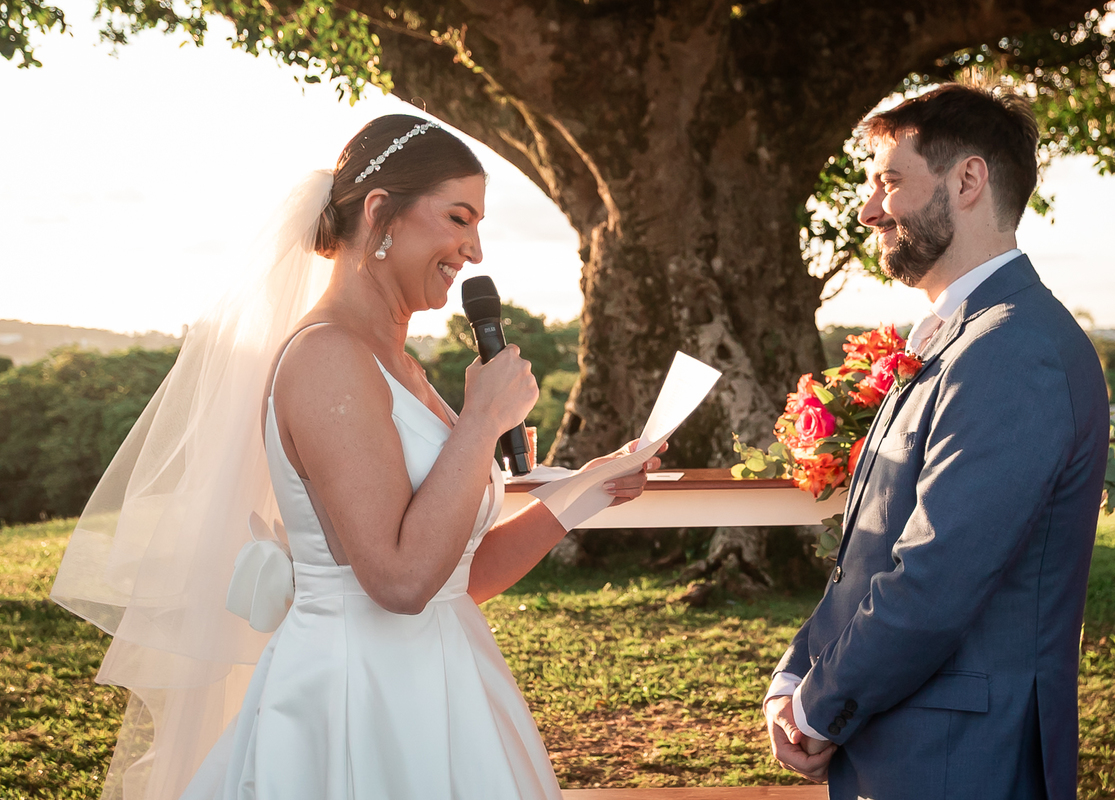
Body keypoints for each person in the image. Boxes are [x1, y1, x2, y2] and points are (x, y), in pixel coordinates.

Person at [51, 114, 659, 800]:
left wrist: (588, 490)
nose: (476, 251)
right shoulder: (327, 359)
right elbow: (399, 583)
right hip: (357, 702)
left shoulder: (401, 366)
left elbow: (455, 576)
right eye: (460, 218)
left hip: (447, 682)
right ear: (380, 212)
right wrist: (483, 420)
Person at [762, 84, 1109, 799]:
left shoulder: (1015, 348)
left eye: (889, 181)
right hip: (910, 750)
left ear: (969, 180)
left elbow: (935, 579)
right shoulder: (961, 337)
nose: (866, 209)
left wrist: (818, 707)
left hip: (962, 760)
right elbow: (870, 554)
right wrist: (795, 674)